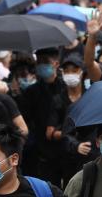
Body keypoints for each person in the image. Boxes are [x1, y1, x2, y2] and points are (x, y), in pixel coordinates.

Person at [16, 48, 65, 183]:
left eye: (45, 62)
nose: (41, 65)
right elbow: (26, 118)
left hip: (65, 144)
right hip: (41, 150)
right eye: (39, 62)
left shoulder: (65, 87)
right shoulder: (31, 92)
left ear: (56, 63)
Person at [46, 54, 94, 188]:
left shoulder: (90, 96)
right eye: (67, 70)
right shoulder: (58, 100)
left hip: (91, 153)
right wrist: (71, 140)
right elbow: (49, 133)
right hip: (67, 157)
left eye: (74, 70)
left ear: (82, 72)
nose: (70, 74)